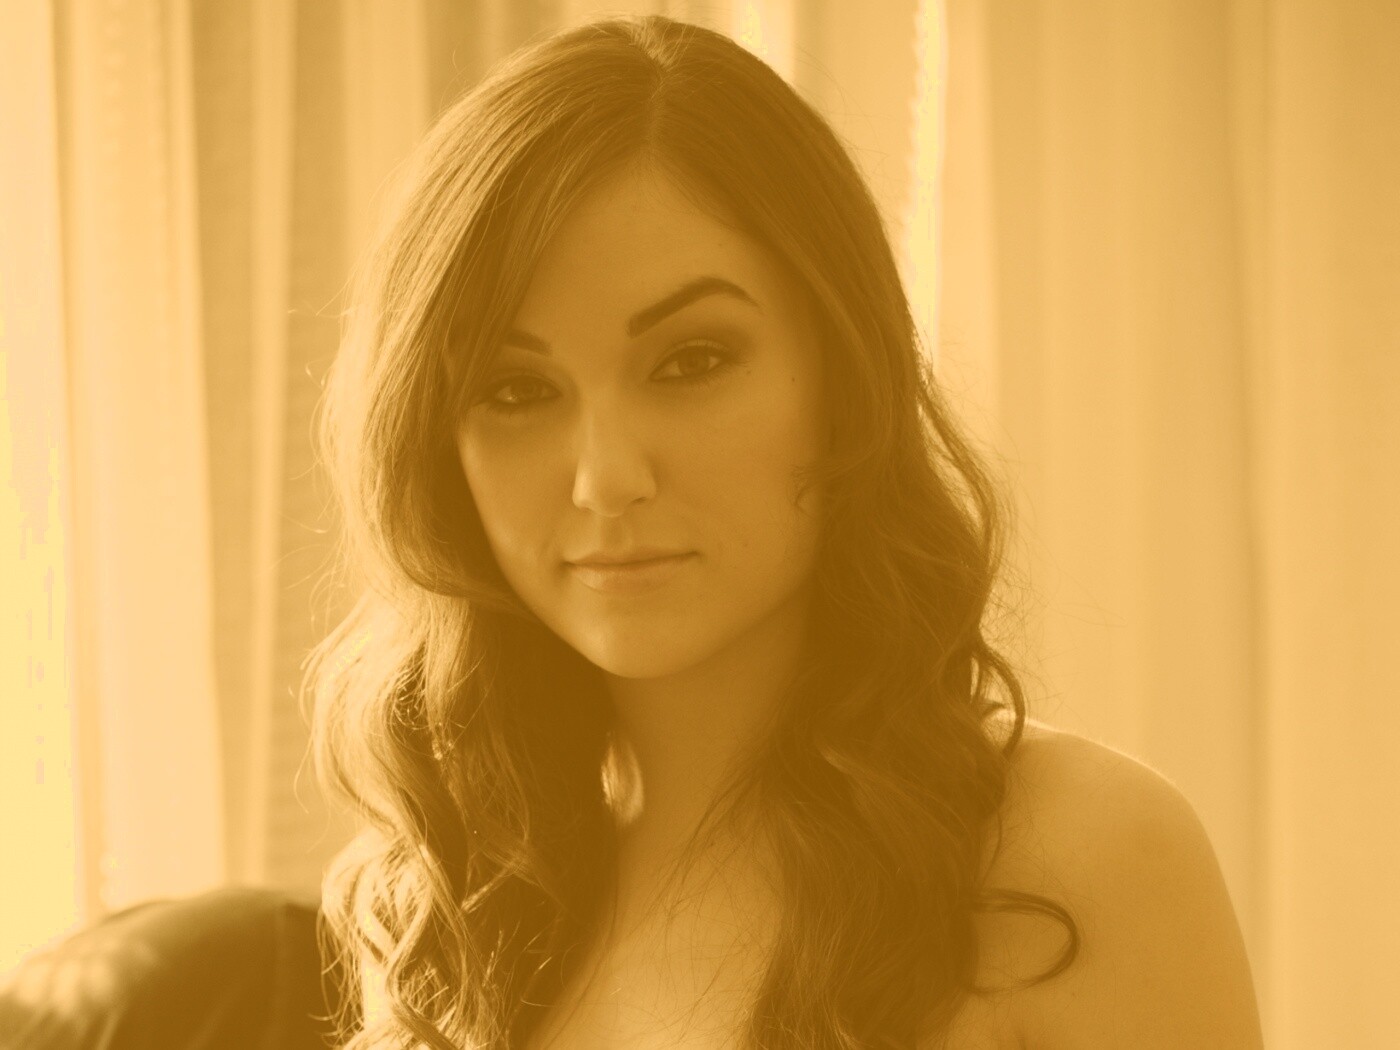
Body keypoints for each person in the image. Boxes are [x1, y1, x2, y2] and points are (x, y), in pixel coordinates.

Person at [306, 14, 1264, 1050]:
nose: (606, 479)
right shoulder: (446, 910)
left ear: (842, 375)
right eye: (515, 389)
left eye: (691, 362)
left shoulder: (1077, 857)